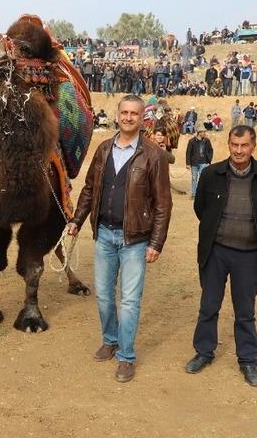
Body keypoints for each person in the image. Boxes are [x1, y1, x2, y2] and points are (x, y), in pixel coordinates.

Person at [66, 95, 173, 383]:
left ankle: (126, 356)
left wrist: (156, 243)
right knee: (103, 296)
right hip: (103, 235)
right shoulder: (103, 149)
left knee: (129, 301)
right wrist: (77, 220)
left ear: (142, 118)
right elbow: (89, 189)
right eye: (124, 112)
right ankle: (110, 339)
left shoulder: (153, 155)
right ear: (117, 115)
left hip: (135, 240)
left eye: (133, 114)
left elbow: (163, 203)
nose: (128, 117)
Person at [185, 125, 257, 387]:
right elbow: (201, 209)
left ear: (252, 147)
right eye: (234, 145)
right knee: (209, 306)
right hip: (215, 252)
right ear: (228, 144)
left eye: (244, 146)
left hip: (249, 255)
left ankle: (248, 360)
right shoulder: (210, 174)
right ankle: (204, 352)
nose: (239, 151)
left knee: (245, 311)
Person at [186, 129, 213, 199]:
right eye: (203, 132)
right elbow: (188, 152)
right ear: (199, 133)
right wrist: (188, 163)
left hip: (203, 162)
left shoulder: (207, 141)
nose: (205, 133)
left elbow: (211, 150)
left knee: (203, 179)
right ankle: (194, 195)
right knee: (194, 179)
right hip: (194, 163)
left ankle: (201, 194)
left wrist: (209, 160)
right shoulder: (191, 141)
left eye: (205, 132)